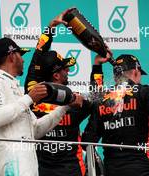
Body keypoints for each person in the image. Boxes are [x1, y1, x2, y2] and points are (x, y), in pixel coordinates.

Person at [0, 37, 82, 175]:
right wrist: (29, 98)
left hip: (28, 165)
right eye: (20, 55)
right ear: (11, 56)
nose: (22, 60)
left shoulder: (13, 86)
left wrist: (64, 108)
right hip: (12, 163)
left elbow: (36, 130)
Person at [24, 10, 108, 176]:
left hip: (40, 171)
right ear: (56, 75)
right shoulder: (74, 100)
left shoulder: (32, 94)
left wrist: (50, 28)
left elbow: (36, 60)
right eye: (65, 68)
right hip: (72, 171)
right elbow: (98, 99)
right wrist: (97, 65)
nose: (68, 70)